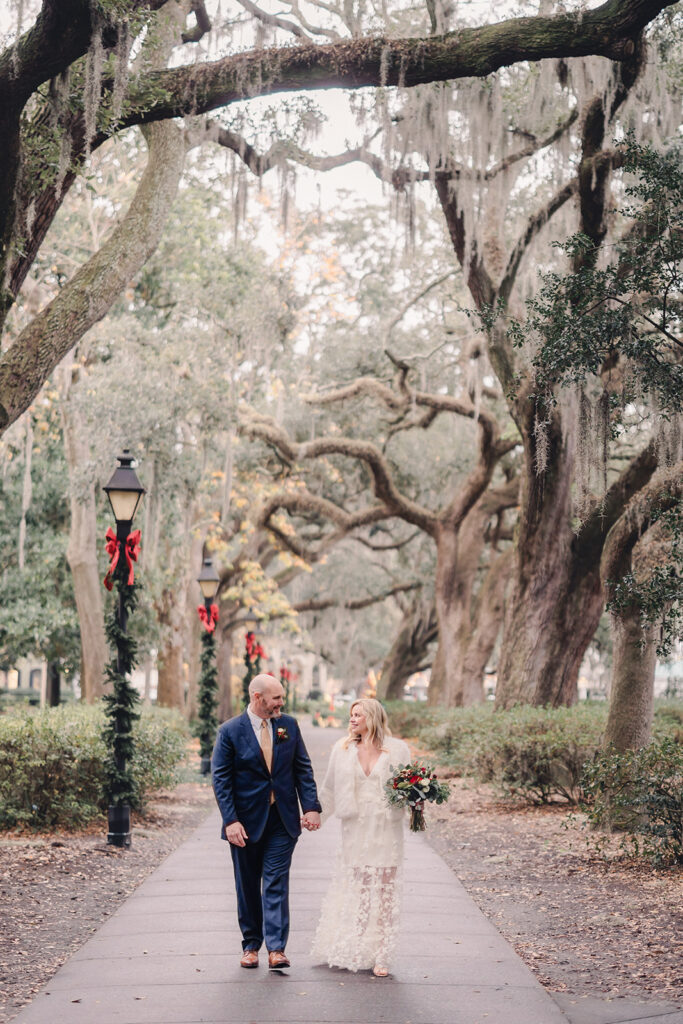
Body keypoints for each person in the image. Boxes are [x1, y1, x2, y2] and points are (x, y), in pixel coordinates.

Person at [211, 673, 321, 970]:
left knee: (275, 881)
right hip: (244, 823)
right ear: (257, 698)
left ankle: (276, 948)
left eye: (282, 697)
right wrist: (230, 820)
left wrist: (310, 806)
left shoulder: (288, 725)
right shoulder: (230, 731)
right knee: (247, 885)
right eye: (276, 698)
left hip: (282, 819)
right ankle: (250, 946)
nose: (281, 703)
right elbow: (221, 780)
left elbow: (302, 768)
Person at [311, 698, 411, 977]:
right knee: (361, 888)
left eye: (359, 714)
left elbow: (409, 786)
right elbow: (329, 788)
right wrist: (316, 815)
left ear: (373, 717)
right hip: (355, 826)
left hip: (386, 826)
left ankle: (382, 954)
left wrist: (417, 802)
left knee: (387, 891)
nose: (352, 719)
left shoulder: (398, 749)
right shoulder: (342, 748)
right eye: (351, 715)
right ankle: (356, 946)